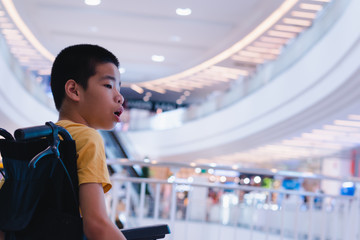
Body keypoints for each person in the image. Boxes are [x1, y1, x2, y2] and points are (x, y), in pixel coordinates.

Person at [50, 44, 127, 240]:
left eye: (119, 88)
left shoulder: (45, 138)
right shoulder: (88, 139)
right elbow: (96, 225)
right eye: (109, 86)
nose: (120, 97)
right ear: (74, 90)